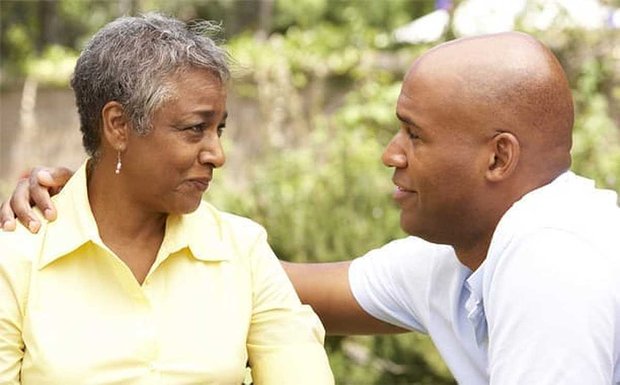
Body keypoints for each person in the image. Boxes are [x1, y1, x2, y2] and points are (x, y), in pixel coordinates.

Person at [3, 31, 620, 384]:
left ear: (498, 159)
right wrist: (87, 208)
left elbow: (254, 283)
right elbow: (274, 281)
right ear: (118, 125)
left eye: (414, 134)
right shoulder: (454, 260)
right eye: (196, 129)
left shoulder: (553, 268)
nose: (390, 153)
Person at [0, 13, 334, 385]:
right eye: (196, 129)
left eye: (218, 129)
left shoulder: (243, 251)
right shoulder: (17, 258)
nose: (217, 155)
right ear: (119, 126)